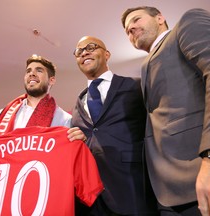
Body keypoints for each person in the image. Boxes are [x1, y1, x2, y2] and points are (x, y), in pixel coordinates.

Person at [121, 6, 210, 216]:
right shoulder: (145, 66)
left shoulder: (186, 24)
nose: (131, 29)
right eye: (126, 30)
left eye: (136, 20)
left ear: (160, 18)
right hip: (165, 193)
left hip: (199, 176)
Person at [71, 36, 158, 215]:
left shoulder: (136, 85)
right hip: (91, 197)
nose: (84, 52)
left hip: (131, 188)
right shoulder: (78, 102)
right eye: (79, 52)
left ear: (107, 54)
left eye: (91, 47)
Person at [0, 55, 86, 155]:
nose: (32, 74)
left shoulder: (64, 119)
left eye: (39, 70)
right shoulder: (4, 114)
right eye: (28, 71)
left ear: (52, 80)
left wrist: (81, 143)